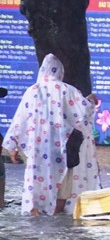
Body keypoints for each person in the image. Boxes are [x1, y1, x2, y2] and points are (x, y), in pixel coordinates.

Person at [2, 54, 100, 216]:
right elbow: (83, 111)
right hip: (62, 148)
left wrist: (13, 147)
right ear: (60, 72)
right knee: (62, 186)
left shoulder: (32, 91)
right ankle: (55, 216)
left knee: (36, 182)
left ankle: (36, 216)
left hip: (37, 149)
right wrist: (90, 100)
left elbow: (20, 119)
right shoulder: (67, 90)